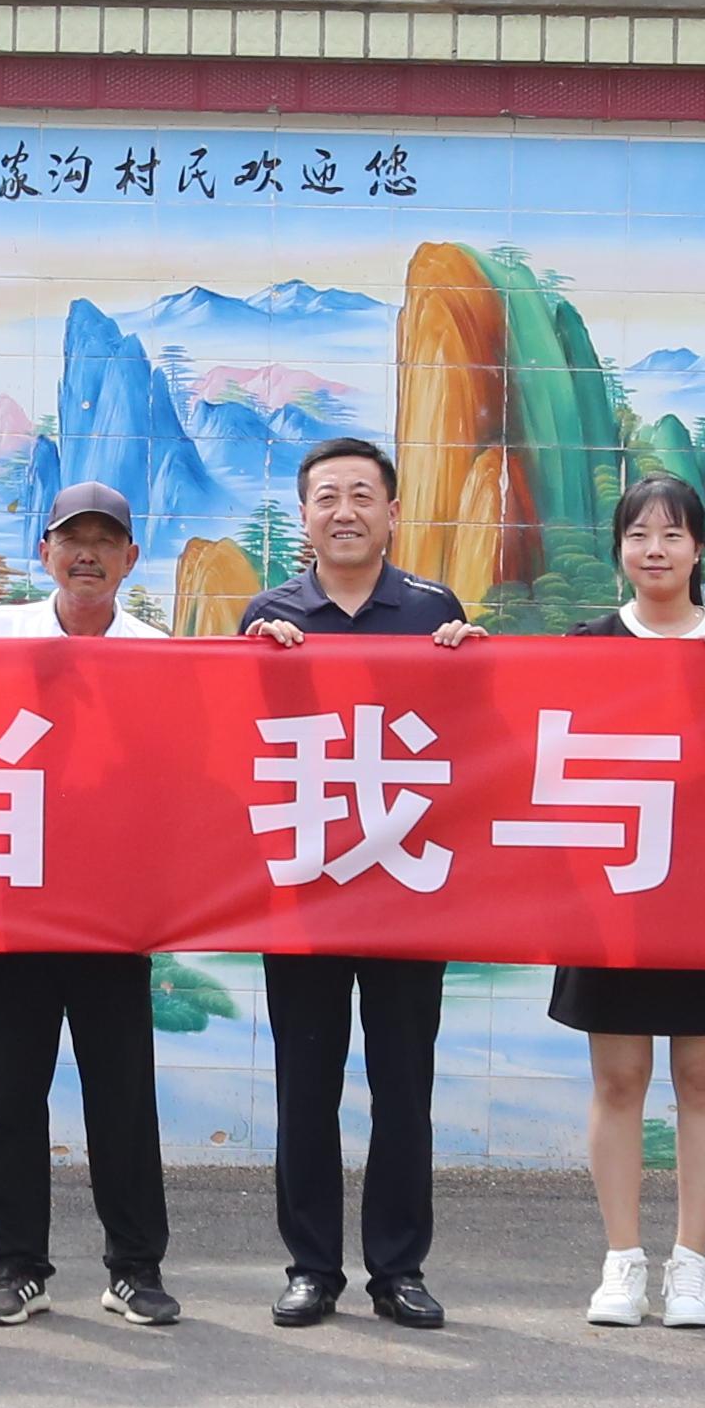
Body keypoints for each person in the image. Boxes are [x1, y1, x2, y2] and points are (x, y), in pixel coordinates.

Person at [240, 435, 478, 1331]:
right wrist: (254, 663)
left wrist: (471, 661)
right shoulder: (269, 614)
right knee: (305, 1084)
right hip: (304, 884)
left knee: (403, 1086)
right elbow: (233, 737)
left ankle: (399, 1269)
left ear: (392, 512)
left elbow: (472, 736)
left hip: (406, 884)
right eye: (328, 497)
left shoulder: (430, 609)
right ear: (304, 516)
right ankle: (310, 1267)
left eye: (362, 496)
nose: (345, 512)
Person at [0, 482, 178, 1328]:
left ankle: (135, 1268)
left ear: (131, 558)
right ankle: (18, 1266)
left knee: (122, 1095)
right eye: (71, 539)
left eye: (105, 541)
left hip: (113, 910)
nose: (87, 555)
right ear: (44, 551)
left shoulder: (159, 652)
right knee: (8, 1096)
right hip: (10, 900)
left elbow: (178, 776)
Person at [558, 478, 705, 1330]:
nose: (655, 549)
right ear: (619, 547)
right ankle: (622, 1262)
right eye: (639, 534)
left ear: (699, 549)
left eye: (673, 534)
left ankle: (691, 1265)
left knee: (701, 1078)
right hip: (616, 891)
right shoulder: (587, 645)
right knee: (618, 1079)